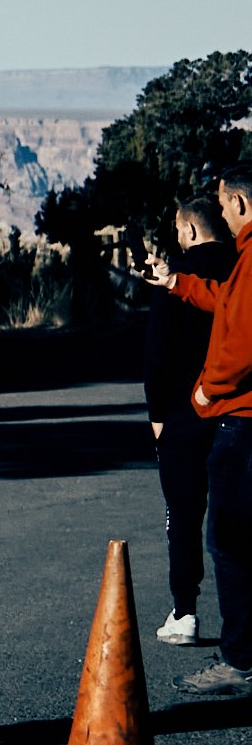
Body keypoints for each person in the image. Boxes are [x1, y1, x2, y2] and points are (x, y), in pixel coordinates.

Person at [144, 164, 252, 697]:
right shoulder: (240, 260)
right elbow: (223, 301)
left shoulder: (249, 258)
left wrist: (201, 392)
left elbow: (238, 341)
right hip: (232, 418)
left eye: (226, 201)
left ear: (238, 203)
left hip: (222, 415)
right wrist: (176, 282)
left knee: (216, 532)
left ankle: (214, 637)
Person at [143, 194, 233, 646]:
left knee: (183, 513)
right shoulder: (242, 266)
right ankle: (242, 619)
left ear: (191, 230)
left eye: (179, 230)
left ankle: (185, 611)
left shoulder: (175, 275)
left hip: (183, 411)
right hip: (236, 410)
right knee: (236, 517)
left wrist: (156, 414)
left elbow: (157, 355)